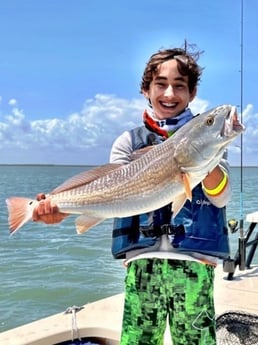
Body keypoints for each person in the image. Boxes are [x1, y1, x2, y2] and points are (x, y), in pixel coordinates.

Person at [33, 42, 232, 345]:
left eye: (180, 86)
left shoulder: (208, 142)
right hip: (143, 265)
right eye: (160, 84)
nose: (169, 94)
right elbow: (110, 190)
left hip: (195, 264)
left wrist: (207, 154)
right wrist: (62, 206)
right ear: (146, 91)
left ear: (192, 94)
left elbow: (221, 196)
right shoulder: (128, 141)